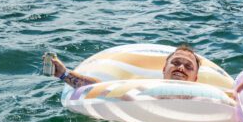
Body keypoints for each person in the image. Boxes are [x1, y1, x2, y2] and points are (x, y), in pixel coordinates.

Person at [46, 44, 201, 88]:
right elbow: (101, 89)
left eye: (188, 66)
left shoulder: (209, 98)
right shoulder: (146, 87)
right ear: (163, 69)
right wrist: (63, 73)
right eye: (175, 62)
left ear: (196, 78)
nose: (181, 68)